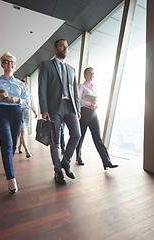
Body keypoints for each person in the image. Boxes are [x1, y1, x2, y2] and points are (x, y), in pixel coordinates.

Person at [38, 39, 81, 185]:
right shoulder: (46, 65)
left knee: (76, 134)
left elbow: (75, 92)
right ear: (55, 48)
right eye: (62, 45)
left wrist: (78, 109)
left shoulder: (72, 69)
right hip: (54, 108)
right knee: (55, 140)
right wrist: (44, 109)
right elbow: (42, 88)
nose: (65, 48)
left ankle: (66, 162)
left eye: (67, 46)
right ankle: (57, 170)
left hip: (70, 107)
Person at [0, 52, 29, 194]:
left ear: (14, 66)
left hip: (17, 113)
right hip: (1, 112)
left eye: (12, 62)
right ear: (2, 64)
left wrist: (17, 100)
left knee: (12, 144)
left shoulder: (20, 84)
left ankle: (7, 165)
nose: (10, 64)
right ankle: (11, 179)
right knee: (7, 143)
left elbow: (27, 102)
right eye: (7, 61)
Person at [76, 67, 118, 170]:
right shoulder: (81, 87)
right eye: (90, 73)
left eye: (93, 74)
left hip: (93, 114)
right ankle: (78, 156)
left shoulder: (94, 88)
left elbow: (97, 102)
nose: (92, 75)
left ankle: (106, 161)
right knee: (80, 136)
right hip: (84, 113)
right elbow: (78, 101)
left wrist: (95, 105)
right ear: (85, 75)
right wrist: (89, 104)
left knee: (98, 138)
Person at [18, 79, 38, 158]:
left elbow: (32, 104)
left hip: (26, 113)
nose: (24, 85)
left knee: (22, 131)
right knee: (23, 131)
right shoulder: (17, 93)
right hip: (18, 112)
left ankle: (20, 146)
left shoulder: (29, 94)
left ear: (26, 85)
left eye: (25, 84)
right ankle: (26, 150)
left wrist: (35, 111)